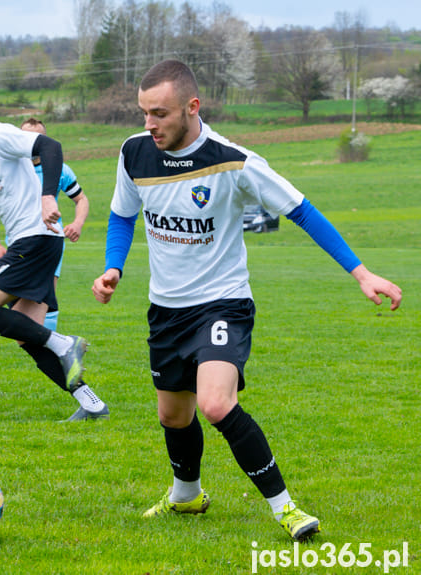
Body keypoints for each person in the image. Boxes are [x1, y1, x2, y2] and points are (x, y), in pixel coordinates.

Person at [91, 59, 402, 541]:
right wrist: (114, 266)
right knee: (173, 415)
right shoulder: (134, 153)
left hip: (222, 304)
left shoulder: (234, 161)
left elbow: (302, 211)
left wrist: (361, 273)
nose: (148, 124)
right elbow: (121, 215)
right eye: (144, 113)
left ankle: (287, 509)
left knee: (215, 404)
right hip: (165, 309)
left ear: (192, 107)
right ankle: (186, 495)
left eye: (160, 113)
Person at [0, 79, 107, 422]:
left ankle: (64, 344)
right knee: (28, 338)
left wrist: (48, 196)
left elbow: (51, 146)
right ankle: (92, 405)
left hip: (38, 235)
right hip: (32, 240)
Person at [0, 118, 90, 333]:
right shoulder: (10, 168)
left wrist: (78, 223)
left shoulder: (59, 169)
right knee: (14, 302)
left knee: (45, 294)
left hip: (49, 239)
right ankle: (49, 344)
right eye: (27, 136)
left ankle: (51, 344)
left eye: (38, 137)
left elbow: (81, 199)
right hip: (17, 242)